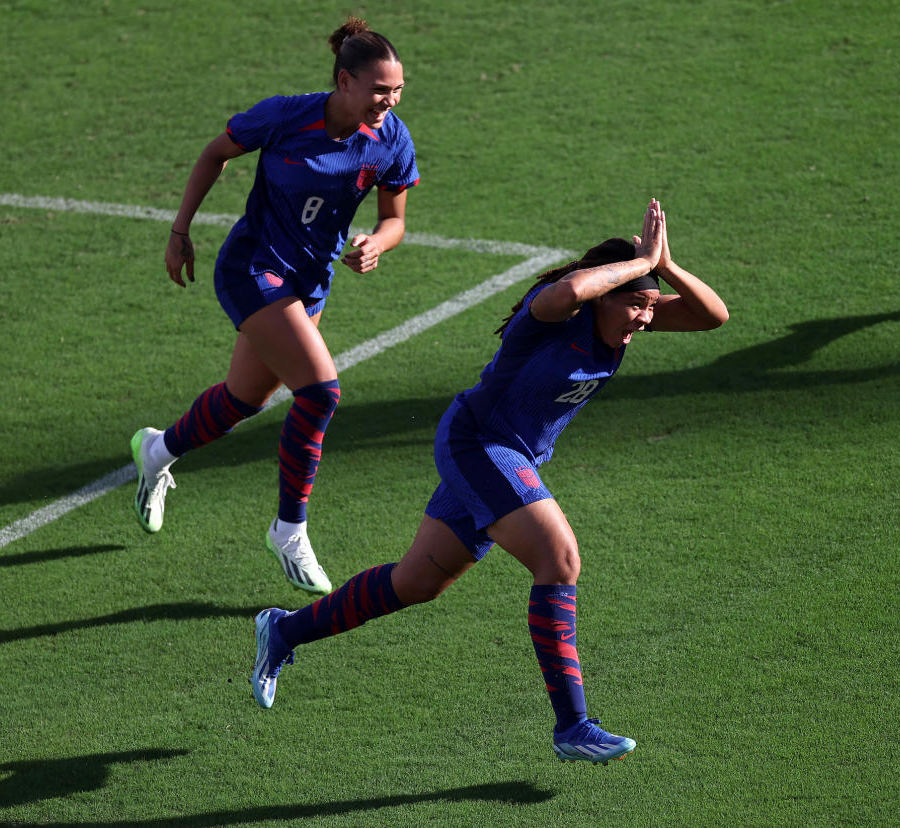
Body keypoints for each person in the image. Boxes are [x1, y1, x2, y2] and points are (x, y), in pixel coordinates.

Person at [249, 199, 729, 764]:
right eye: (638, 306)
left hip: (509, 456)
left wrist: (663, 266)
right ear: (608, 292)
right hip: (478, 444)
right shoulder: (555, 315)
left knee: (416, 583)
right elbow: (571, 291)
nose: (645, 319)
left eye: (652, 307)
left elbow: (712, 316)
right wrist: (641, 260)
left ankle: (283, 632)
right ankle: (573, 726)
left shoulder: (622, 320)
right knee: (561, 558)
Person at [130, 17, 419, 595]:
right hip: (251, 270)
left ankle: (157, 450)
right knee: (321, 390)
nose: (389, 101)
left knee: (243, 400)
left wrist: (374, 245)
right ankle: (289, 531)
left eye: (398, 91)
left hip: (308, 284)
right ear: (344, 82)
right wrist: (179, 230)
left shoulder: (391, 139)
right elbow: (216, 153)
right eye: (379, 90)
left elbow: (395, 221)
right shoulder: (287, 115)